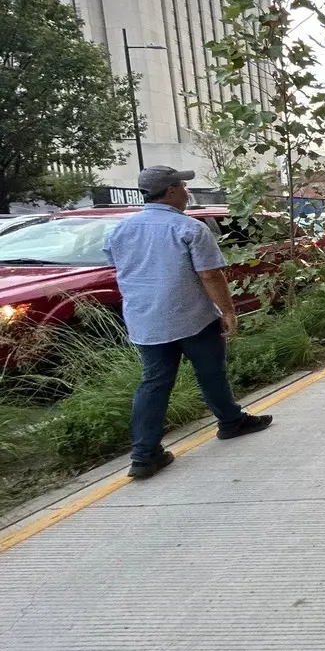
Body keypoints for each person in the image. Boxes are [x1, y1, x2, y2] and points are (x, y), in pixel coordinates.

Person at [102, 166, 272, 480]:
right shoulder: (189, 228)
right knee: (210, 372)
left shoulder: (119, 230)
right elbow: (209, 274)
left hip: (146, 321)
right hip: (193, 317)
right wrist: (229, 311)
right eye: (182, 185)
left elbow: (120, 267)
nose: (186, 190)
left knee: (154, 382)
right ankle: (231, 423)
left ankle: (143, 455)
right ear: (170, 191)